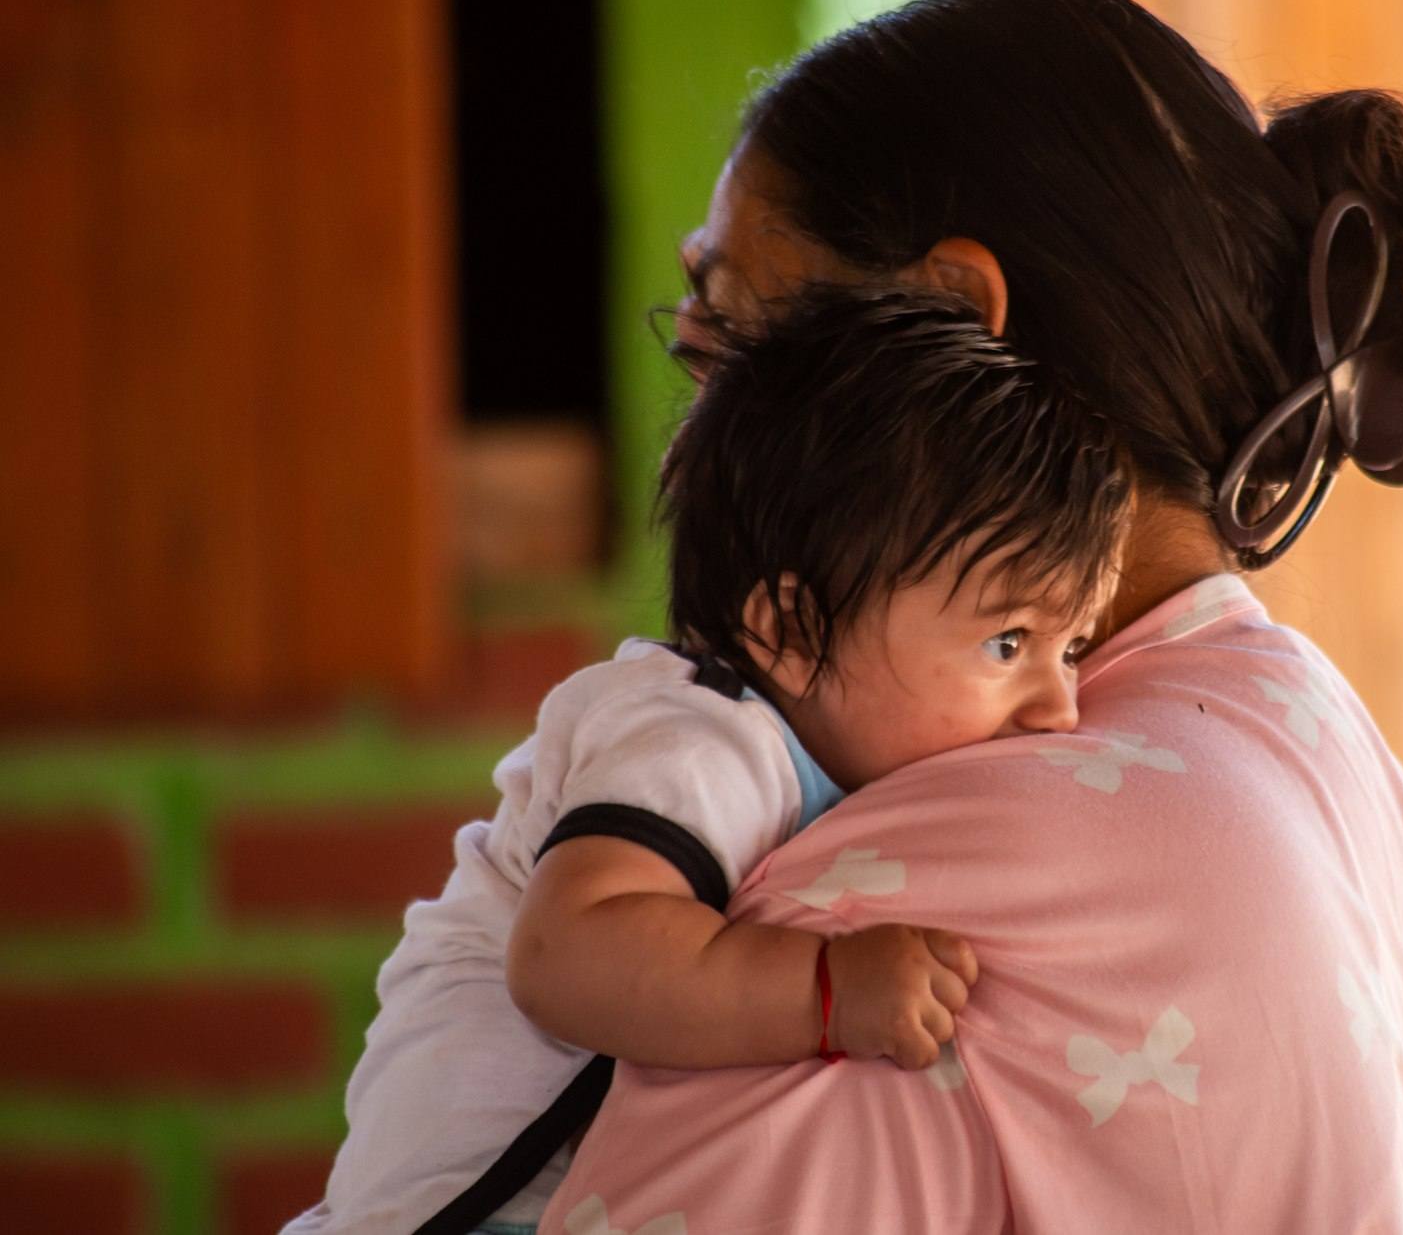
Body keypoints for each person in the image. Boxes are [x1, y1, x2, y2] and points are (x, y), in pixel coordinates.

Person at [535, 0, 1403, 1234]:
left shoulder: (909, 894)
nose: (708, 433)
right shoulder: (1375, 805)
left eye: (734, 338)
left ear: (950, 320)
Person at [283, 289, 1134, 1235]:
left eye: (1074, 645)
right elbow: (567, 952)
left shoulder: (808, 742)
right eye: (1008, 643)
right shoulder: (703, 731)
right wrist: (825, 988)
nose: (1060, 706)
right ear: (790, 630)